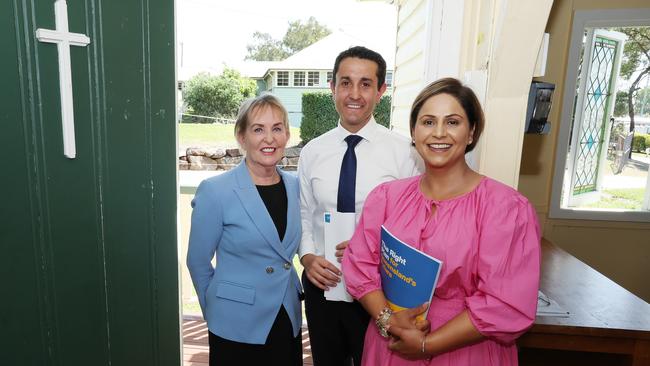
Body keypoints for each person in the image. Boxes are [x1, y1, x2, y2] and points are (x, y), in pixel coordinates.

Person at [341, 77, 541, 365]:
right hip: (392, 344)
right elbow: (360, 265)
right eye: (428, 122)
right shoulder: (386, 198)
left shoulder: (505, 208)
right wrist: (389, 322)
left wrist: (426, 344)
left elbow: (506, 302)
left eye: (453, 122)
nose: (438, 133)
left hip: (467, 350)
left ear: (471, 132)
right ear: (413, 131)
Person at [298, 46, 422, 366]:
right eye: (346, 82)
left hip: (378, 290)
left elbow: (415, 225)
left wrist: (369, 249)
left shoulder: (404, 153)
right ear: (333, 88)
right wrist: (308, 257)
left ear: (381, 90)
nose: (355, 93)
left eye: (365, 84)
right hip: (323, 285)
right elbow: (304, 213)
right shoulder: (313, 151)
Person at [187, 94, 303, 365]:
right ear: (241, 137)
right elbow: (197, 261)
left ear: (286, 135)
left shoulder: (297, 187)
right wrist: (215, 311)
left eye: (277, 128)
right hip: (234, 323)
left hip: (286, 318)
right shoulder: (216, 191)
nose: (269, 138)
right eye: (258, 129)